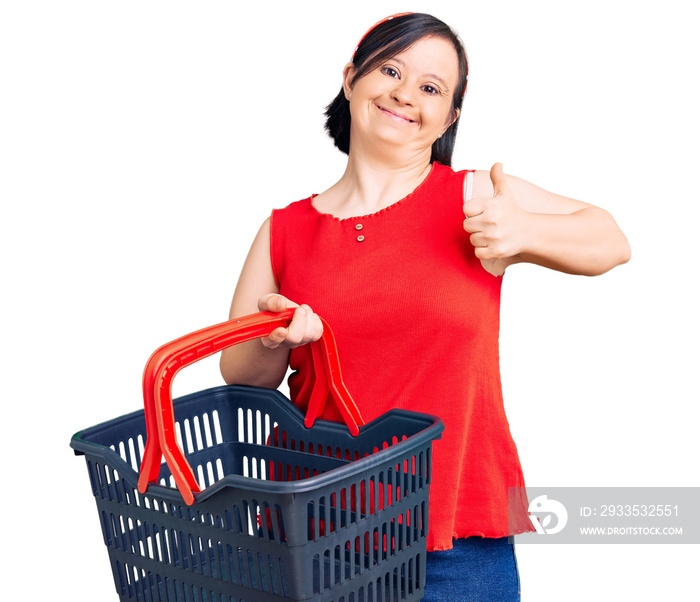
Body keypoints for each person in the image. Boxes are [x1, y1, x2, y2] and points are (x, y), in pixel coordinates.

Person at [219, 12, 630, 601]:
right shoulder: (283, 230)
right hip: (314, 537)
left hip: (456, 539)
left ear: (449, 116)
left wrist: (524, 231)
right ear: (351, 78)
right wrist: (273, 339)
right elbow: (241, 377)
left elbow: (611, 240)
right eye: (390, 69)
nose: (405, 94)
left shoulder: (473, 199)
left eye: (432, 88)